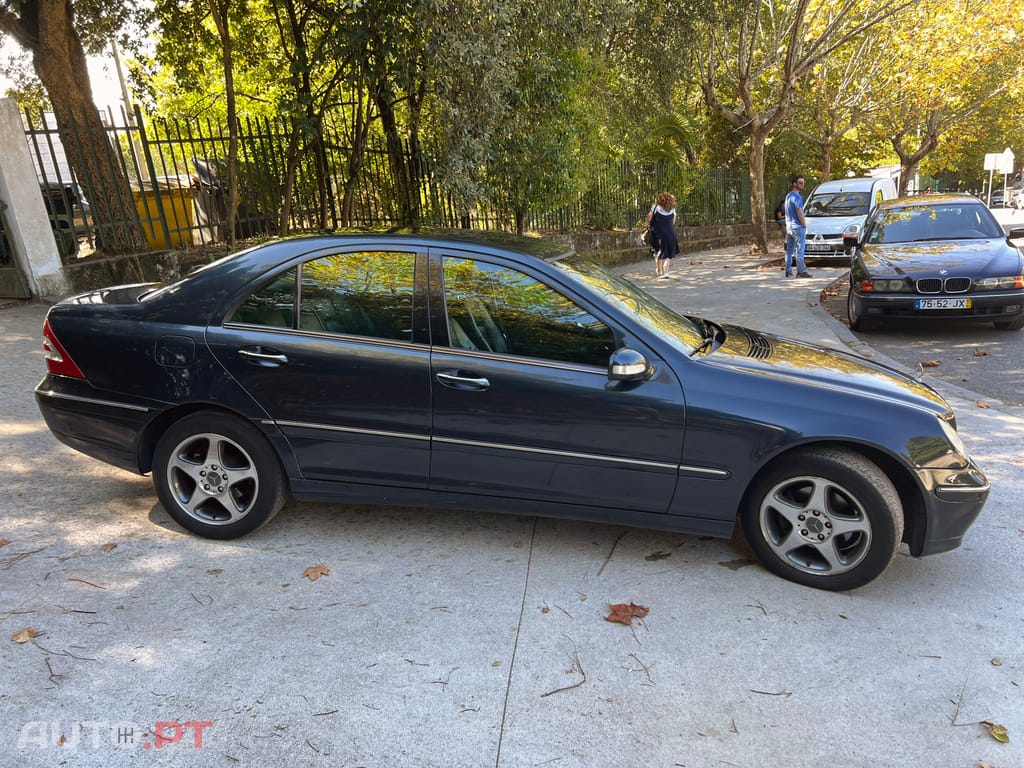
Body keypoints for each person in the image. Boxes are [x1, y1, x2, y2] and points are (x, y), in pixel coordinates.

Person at [784, 174, 812, 278]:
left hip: (789, 227)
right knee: (800, 249)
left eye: (803, 183)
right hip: (797, 226)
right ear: (794, 184)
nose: (802, 185)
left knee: (789, 249)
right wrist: (804, 224)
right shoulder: (797, 197)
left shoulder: (788, 196)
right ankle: (801, 271)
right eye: (800, 183)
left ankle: (788, 269)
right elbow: (799, 212)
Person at [647, 192, 680, 278]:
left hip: (657, 233)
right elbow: (673, 222)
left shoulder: (655, 208)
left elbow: (649, 219)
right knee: (668, 252)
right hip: (670, 233)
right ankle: (666, 270)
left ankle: (659, 270)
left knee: (658, 251)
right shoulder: (673, 209)